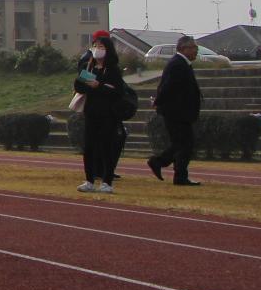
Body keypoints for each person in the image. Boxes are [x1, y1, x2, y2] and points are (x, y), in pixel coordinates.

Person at [75, 31, 133, 194]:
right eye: (95, 46)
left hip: (108, 114)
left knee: (107, 147)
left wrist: (98, 86)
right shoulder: (89, 66)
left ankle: (107, 181)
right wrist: (90, 85)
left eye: (100, 46)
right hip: (91, 112)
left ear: (108, 49)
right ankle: (89, 180)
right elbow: (79, 85)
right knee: (89, 147)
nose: (97, 49)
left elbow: (118, 91)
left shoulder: (112, 70)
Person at [147, 35, 203, 186]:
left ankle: (160, 164)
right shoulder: (178, 64)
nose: (196, 51)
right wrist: (158, 102)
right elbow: (167, 87)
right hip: (176, 112)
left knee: (182, 144)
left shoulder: (182, 64)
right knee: (184, 144)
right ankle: (178, 175)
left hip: (179, 112)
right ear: (183, 49)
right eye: (193, 48)